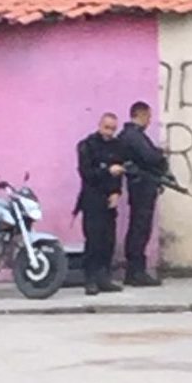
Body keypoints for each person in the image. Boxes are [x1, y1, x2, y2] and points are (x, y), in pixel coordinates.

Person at [118, 101, 169, 287]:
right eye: (148, 116)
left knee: (138, 227)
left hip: (140, 185)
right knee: (140, 228)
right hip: (142, 186)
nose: (149, 120)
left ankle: (134, 271)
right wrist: (161, 155)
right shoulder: (134, 136)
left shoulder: (130, 135)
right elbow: (151, 157)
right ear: (140, 115)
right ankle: (136, 272)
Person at [75, 112, 126, 295]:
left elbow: (119, 172)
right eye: (107, 127)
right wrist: (107, 171)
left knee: (108, 240)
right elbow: (87, 173)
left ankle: (104, 278)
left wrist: (116, 192)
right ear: (99, 125)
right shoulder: (87, 145)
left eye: (113, 129)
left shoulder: (117, 146)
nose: (109, 132)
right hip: (92, 199)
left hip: (109, 200)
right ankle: (90, 279)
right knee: (93, 240)